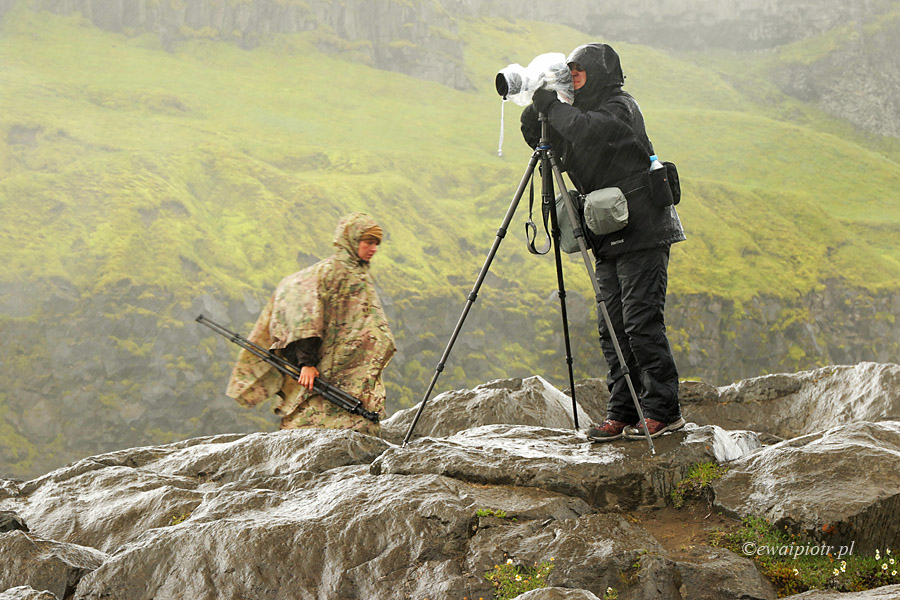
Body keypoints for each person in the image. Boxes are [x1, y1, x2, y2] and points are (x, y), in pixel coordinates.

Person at [521, 43, 686, 441]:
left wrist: (557, 107)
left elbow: (586, 130)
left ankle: (664, 411)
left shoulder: (620, 107)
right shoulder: (572, 113)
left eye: (579, 71)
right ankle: (622, 411)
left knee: (640, 322)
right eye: (569, 71)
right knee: (611, 326)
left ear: (599, 73)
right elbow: (536, 135)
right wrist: (539, 98)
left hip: (645, 229)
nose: (573, 77)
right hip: (608, 234)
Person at [225, 212, 396, 436]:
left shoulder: (359, 272)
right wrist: (306, 361)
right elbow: (305, 313)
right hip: (329, 362)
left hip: (353, 364)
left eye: (376, 244)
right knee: (315, 408)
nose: (373, 248)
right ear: (352, 240)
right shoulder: (331, 271)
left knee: (356, 415)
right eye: (368, 242)